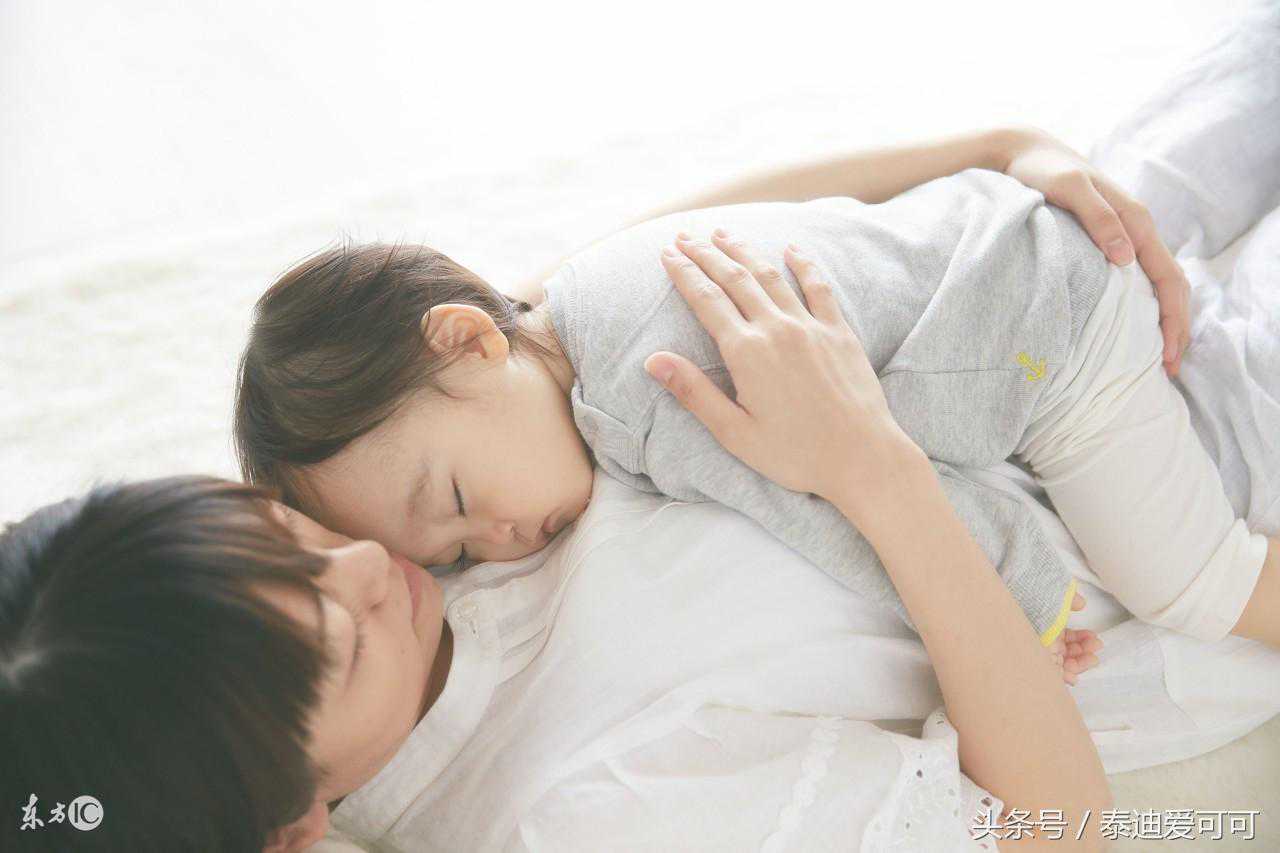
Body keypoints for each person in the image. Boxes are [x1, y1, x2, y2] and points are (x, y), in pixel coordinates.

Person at [0, 246, 1116, 851]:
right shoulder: (585, 813)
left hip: (996, 312)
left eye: (283, 535)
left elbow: (555, 309)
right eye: (343, 647)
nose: (365, 566)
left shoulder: (379, 528)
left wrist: (995, 150)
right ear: (294, 827)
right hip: (1102, 536)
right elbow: (1054, 830)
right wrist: (875, 471)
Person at [231, 124, 1277, 672]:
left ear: (468, 340)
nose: (500, 542)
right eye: (459, 557)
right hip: (988, 229)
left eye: (458, 500)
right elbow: (779, 195)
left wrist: (1027, 601)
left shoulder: (654, 397)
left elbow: (845, 508)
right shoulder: (576, 294)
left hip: (1053, 341)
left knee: (1188, 585)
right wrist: (998, 150)